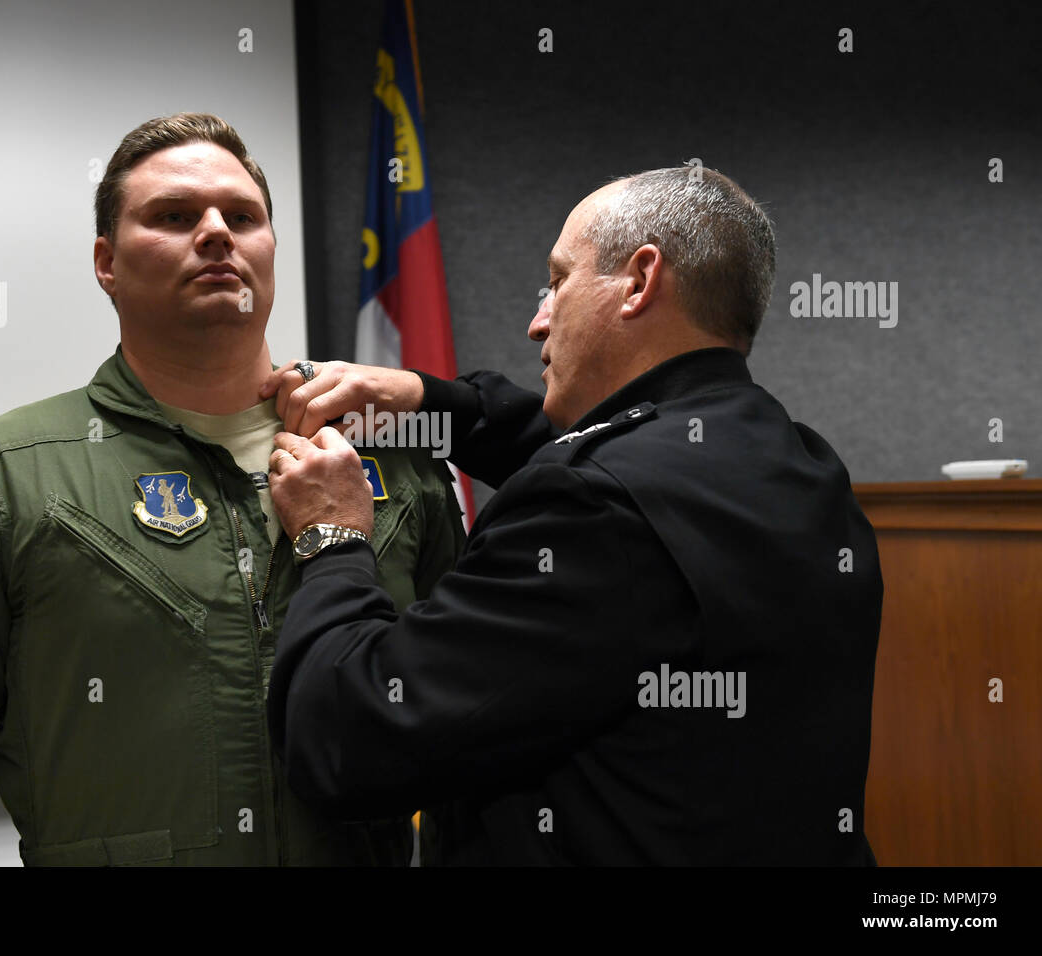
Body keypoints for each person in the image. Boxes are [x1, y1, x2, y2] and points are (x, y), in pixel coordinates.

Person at [0, 113, 464, 866]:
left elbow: (463, 742)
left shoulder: (396, 471)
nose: (216, 233)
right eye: (174, 217)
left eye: (242, 216)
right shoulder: (0, 476)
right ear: (106, 262)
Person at [260, 166, 883, 865]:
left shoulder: (595, 505)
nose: (536, 322)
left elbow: (349, 735)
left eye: (557, 282)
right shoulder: (800, 464)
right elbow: (623, 456)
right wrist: (425, 398)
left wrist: (334, 537)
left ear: (639, 280)